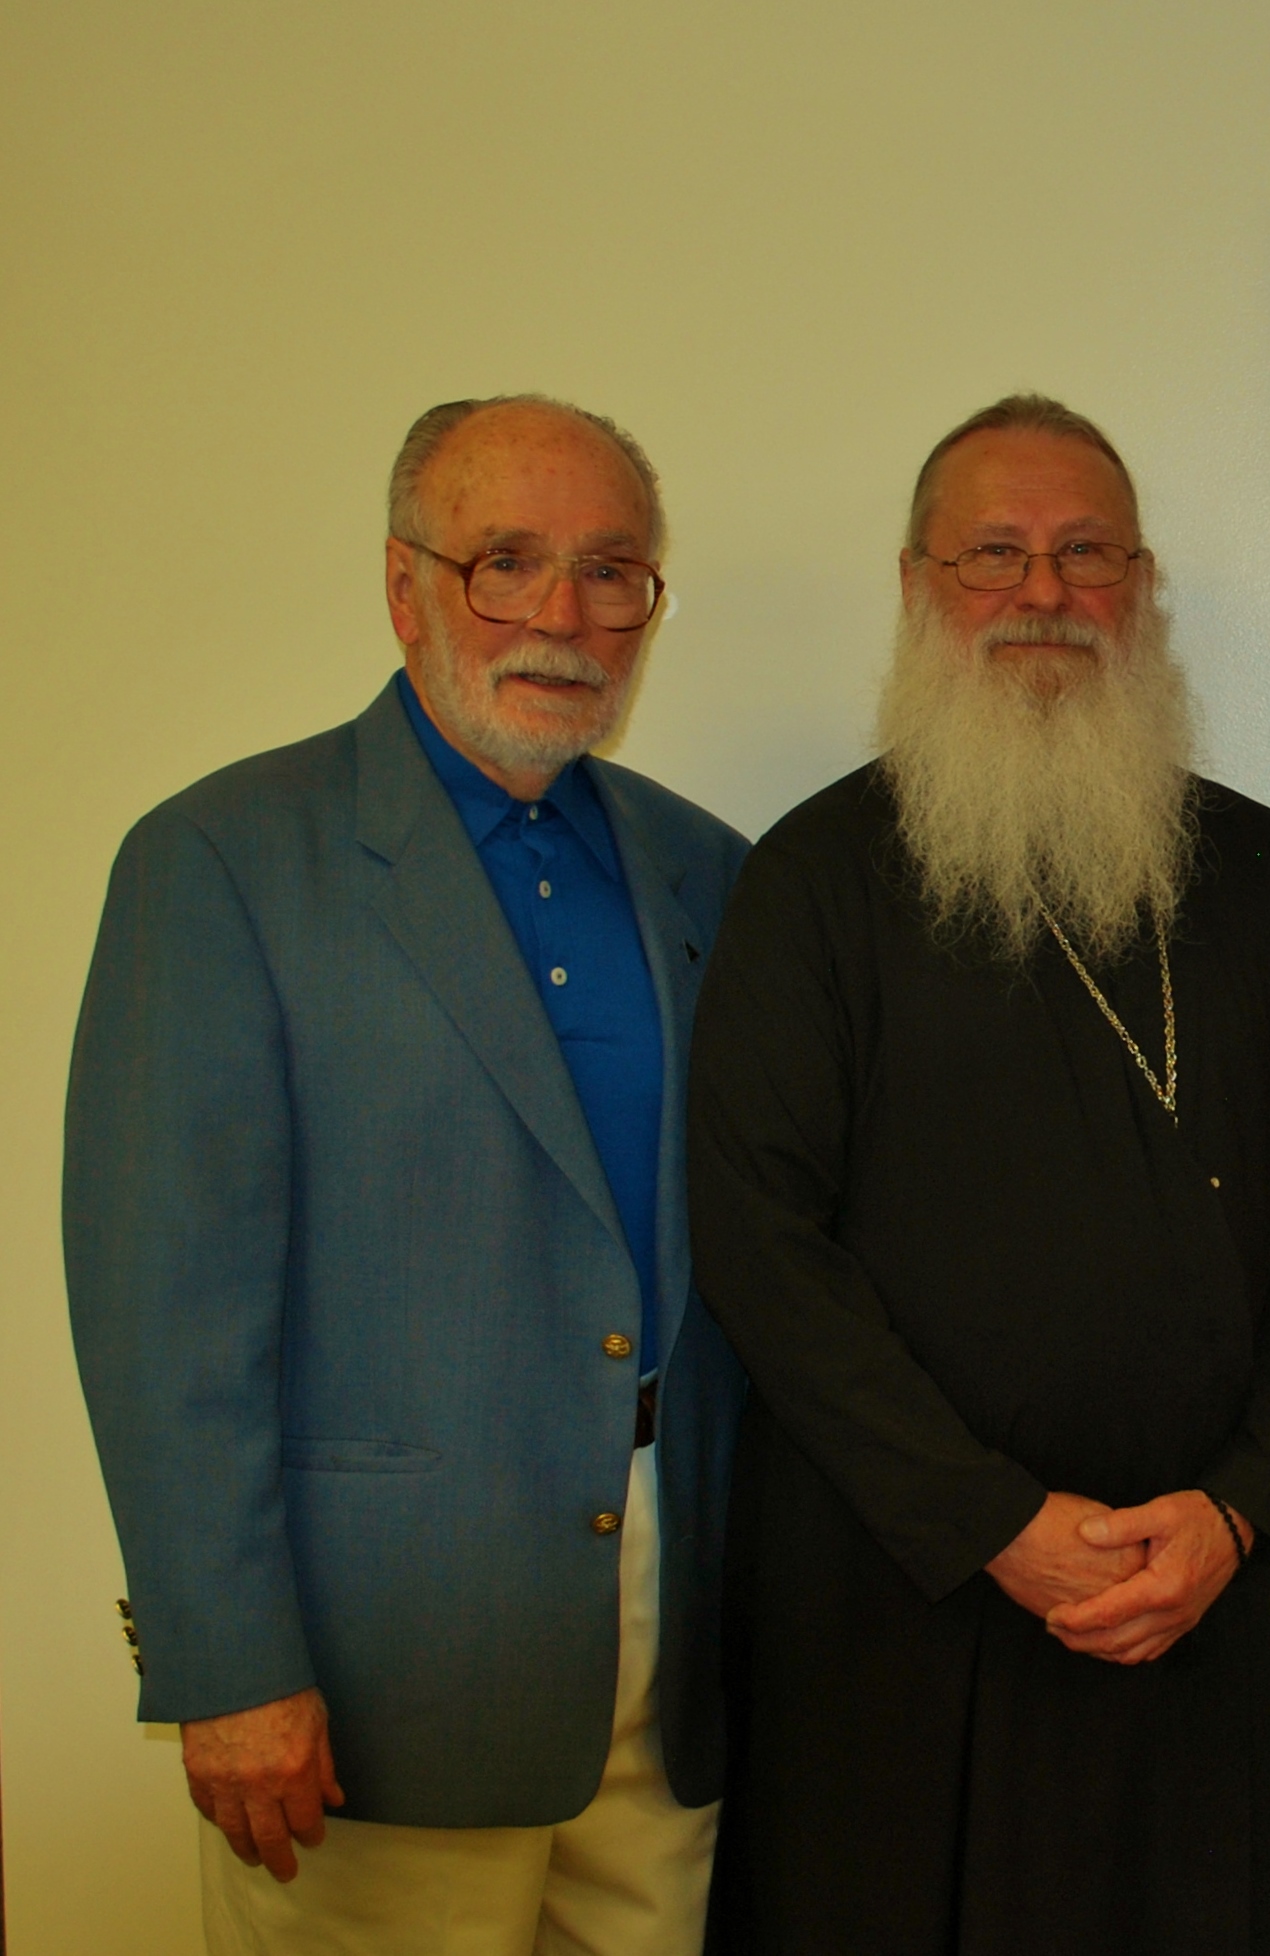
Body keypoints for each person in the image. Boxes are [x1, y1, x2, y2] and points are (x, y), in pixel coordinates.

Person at [689, 394, 1270, 1953]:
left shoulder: (1264, 879)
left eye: (1086, 555)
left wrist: (1235, 1510)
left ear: (1139, 590)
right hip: (897, 1594)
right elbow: (758, 1242)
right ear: (916, 588)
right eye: (993, 555)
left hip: (1177, 1599)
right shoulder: (813, 881)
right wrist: (990, 1519)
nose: (1042, 595)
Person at [64, 395, 750, 1951]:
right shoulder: (224, 861)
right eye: (505, 563)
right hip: (368, 1676)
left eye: (611, 571)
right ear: (403, 584)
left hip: (662, 1657)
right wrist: (223, 1657)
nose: (563, 618)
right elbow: (161, 1302)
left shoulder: (709, 870)